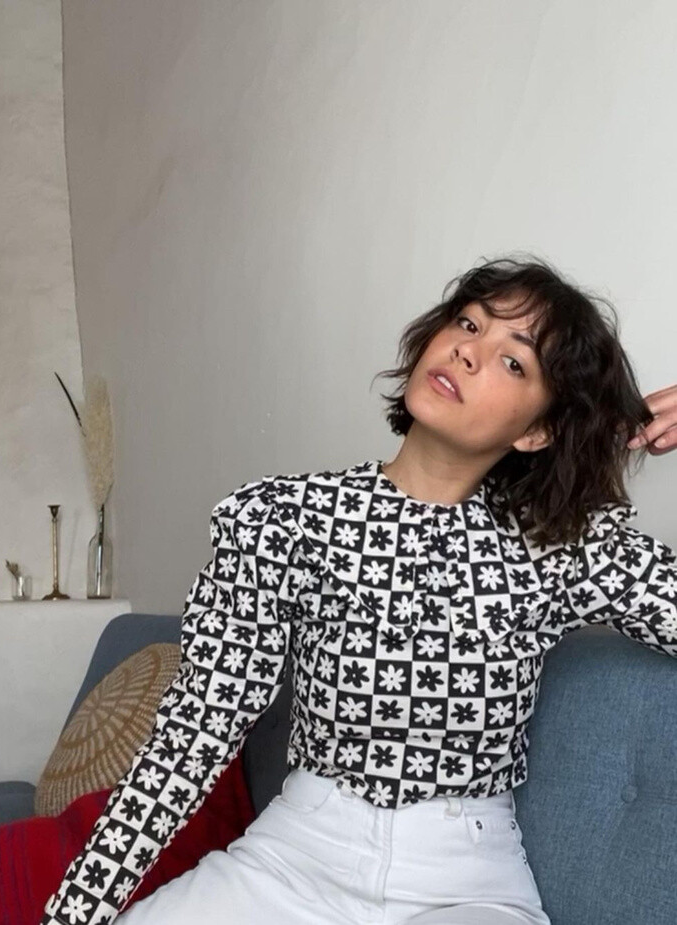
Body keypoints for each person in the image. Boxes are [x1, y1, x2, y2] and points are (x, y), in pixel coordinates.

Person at [40, 256, 677, 925]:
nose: (467, 351)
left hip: (463, 885)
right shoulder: (285, 519)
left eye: (512, 360)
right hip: (290, 862)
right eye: (467, 323)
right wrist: (73, 914)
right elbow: (194, 733)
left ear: (536, 430)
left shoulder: (562, 546)